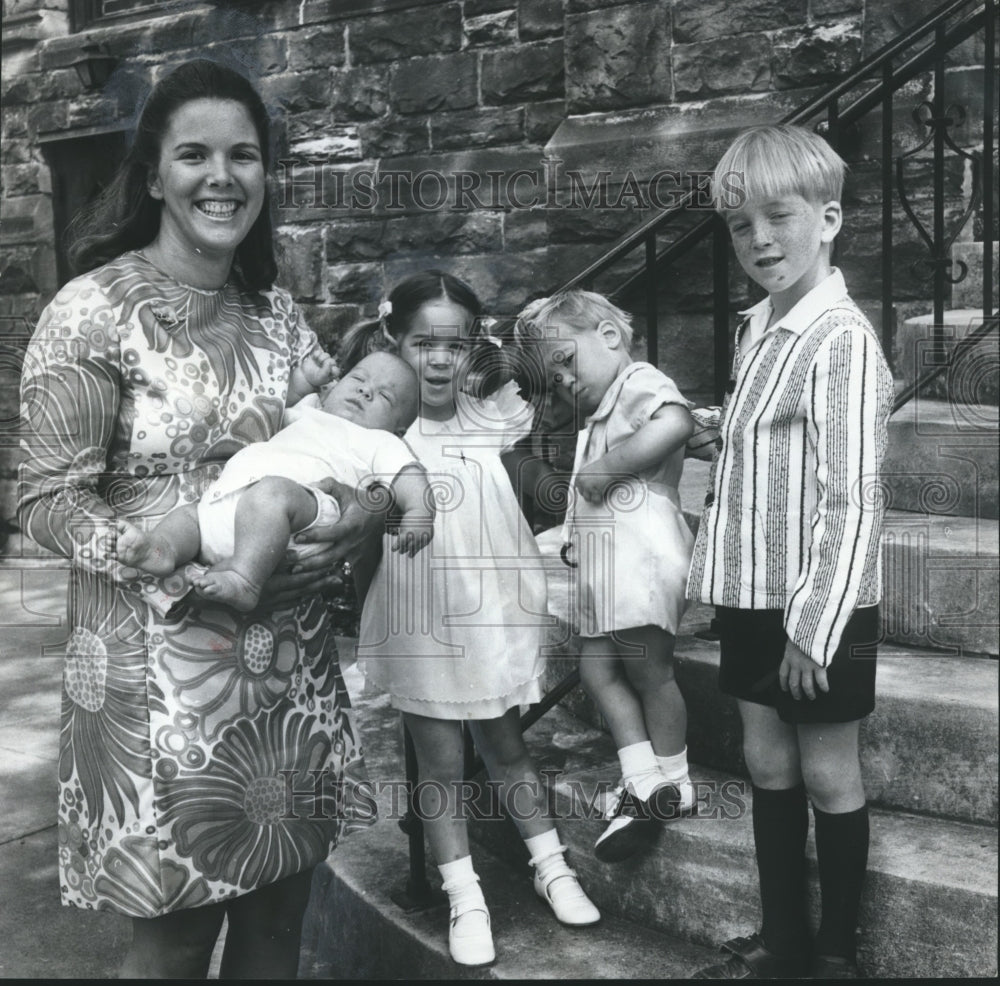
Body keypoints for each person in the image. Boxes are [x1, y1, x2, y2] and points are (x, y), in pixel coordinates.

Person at [18, 59, 383, 979]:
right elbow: (43, 497)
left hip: (290, 665)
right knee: (176, 931)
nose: (222, 177)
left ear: (266, 175)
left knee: (281, 900)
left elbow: (341, 450)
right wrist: (184, 575)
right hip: (159, 666)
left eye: (244, 156)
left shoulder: (277, 316)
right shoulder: (89, 312)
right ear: (152, 175)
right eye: (194, 155)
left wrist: (346, 534)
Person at [345, 271, 601, 967]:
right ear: (392, 339)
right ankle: (465, 894)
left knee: (506, 746)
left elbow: (551, 359)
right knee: (439, 761)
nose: (437, 359)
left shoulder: (490, 413)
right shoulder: (378, 429)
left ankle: (551, 866)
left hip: (488, 610)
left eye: (454, 346)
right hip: (418, 612)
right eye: (422, 342)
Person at [687, 124, 894, 979]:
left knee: (826, 771)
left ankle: (837, 952)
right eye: (741, 225)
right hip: (750, 592)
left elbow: (851, 496)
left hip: (820, 605)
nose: (761, 239)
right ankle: (783, 939)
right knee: (765, 759)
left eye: (780, 216)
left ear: (830, 217)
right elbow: (765, 451)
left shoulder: (840, 340)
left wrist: (815, 626)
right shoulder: (757, 327)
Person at [514, 290, 697, 863]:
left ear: (610, 338)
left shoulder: (638, 382)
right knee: (596, 668)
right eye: (554, 377)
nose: (564, 382)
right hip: (604, 561)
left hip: (641, 550)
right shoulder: (598, 412)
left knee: (648, 668)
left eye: (566, 363)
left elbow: (677, 423)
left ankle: (673, 778)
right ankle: (642, 776)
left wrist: (610, 465)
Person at [116, 350, 434, 613]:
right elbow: (272, 404)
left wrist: (420, 511)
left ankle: (245, 578)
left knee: (270, 494)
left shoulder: (379, 440)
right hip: (234, 504)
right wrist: (305, 380)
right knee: (190, 515)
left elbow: (409, 476)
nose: (366, 391)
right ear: (333, 388)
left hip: (299, 510)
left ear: (399, 430)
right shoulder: (308, 411)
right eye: (358, 379)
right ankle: (161, 549)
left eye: (384, 397)